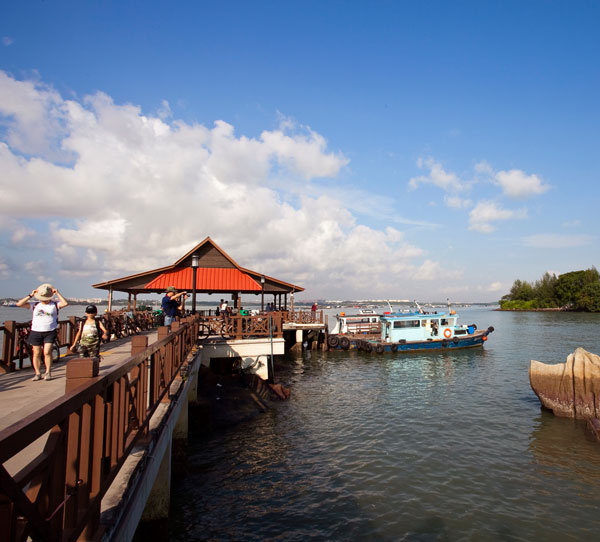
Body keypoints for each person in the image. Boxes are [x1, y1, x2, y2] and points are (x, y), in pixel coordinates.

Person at [15, 283, 68, 381]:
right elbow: (19, 304)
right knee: (36, 352)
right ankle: (38, 373)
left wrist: (58, 293)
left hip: (50, 331)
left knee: (47, 351)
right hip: (36, 331)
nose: (44, 299)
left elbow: (65, 303)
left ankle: (48, 372)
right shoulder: (34, 305)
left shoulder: (55, 305)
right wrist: (30, 295)